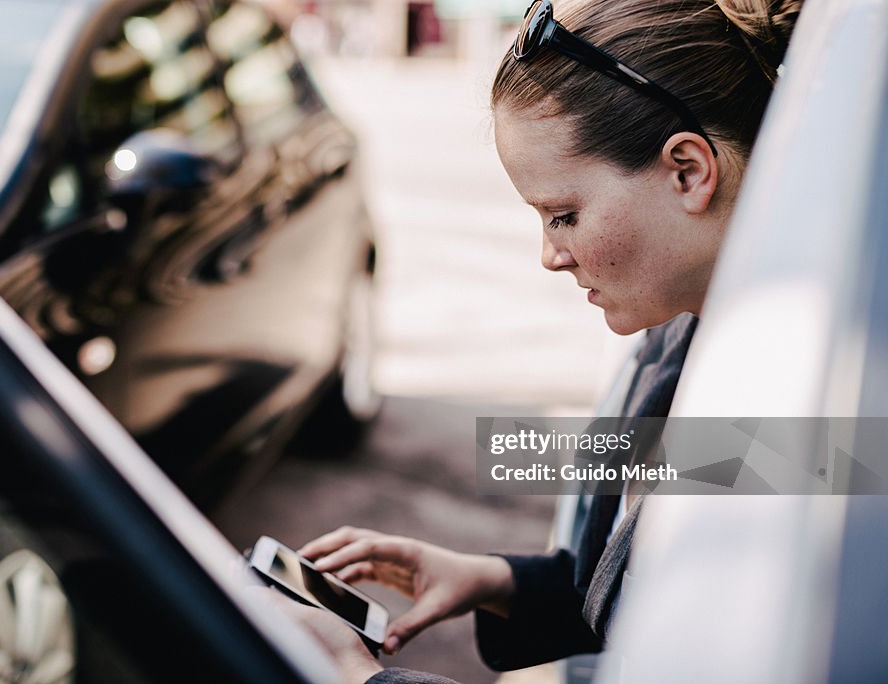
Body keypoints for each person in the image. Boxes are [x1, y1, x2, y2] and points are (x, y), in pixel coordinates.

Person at [275, 1, 805, 682]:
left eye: (564, 215)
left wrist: (356, 677)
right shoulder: (689, 338)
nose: (551, 256)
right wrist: (494, 580)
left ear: (687, 171)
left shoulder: (813, 395)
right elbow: (641, 594)